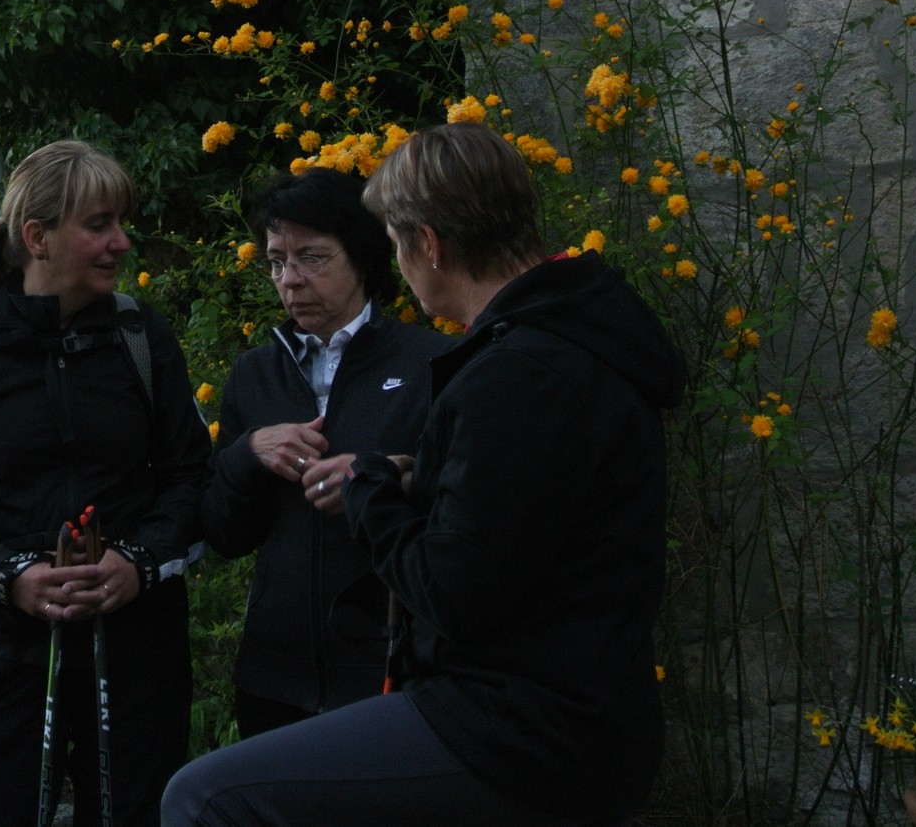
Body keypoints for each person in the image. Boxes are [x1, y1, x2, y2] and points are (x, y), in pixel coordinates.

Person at [163, 123, 684, 827]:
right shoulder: (569, 339)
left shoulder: (519, 370)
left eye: (395, 243)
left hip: (518, 729)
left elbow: (454, 591)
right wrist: (417, 478)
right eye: (277, 261)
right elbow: (522, 526)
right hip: (565, 716)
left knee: (203, 798)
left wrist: (369, 486)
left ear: (429, 244)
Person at [0, 140, 212, 827]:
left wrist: (139, 563)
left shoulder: (141, 337)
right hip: (6, 655)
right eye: (99, 225)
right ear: (38, 238)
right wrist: (8, 575)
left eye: (120, 222)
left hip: (137, 653)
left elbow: (192, 478)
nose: (121, 241)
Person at [201, 168, 445, 738]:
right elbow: (223, 534)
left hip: (390, 672)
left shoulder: (429, 364)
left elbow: (462, 512)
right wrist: (246, 454)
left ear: (360, 256)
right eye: (276, 261)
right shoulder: (254, 375)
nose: (290, 280)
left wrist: (387, 477)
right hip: (274, 678)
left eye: (311, 258)